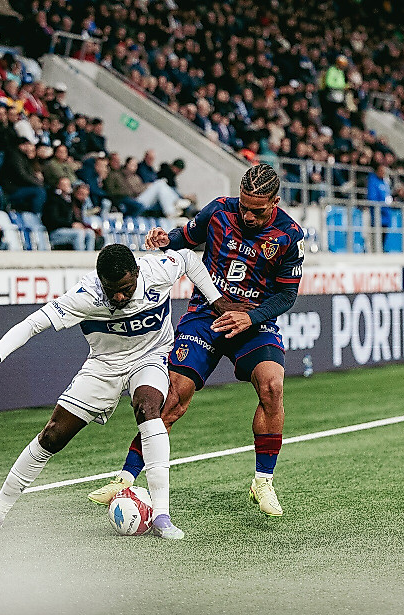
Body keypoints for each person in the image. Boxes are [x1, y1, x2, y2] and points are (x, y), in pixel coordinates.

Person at [0, 243, 242, 539]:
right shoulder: (86, 295)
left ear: (136, 272)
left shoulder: (158, 271)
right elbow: (33, 324)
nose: (118, 297)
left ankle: (161, 516)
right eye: (111, 290)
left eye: (125, 289)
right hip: (104, 364)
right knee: (53, 435)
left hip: (150, 356)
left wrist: (217, 301)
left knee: (148, 408)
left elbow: (188, 259)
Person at [87, 163, 305, 517]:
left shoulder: (289, 236)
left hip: (252, 320)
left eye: (257, 210)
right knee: (171, 398)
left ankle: (263, 481)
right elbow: (184, 237)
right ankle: (125, 478)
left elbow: (286, 296)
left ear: (275, 202)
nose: (248, 216)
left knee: (272, 387)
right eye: (244, 206)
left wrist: (250, 317)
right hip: (206, 314)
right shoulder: (218, 211)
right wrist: (165, 240)